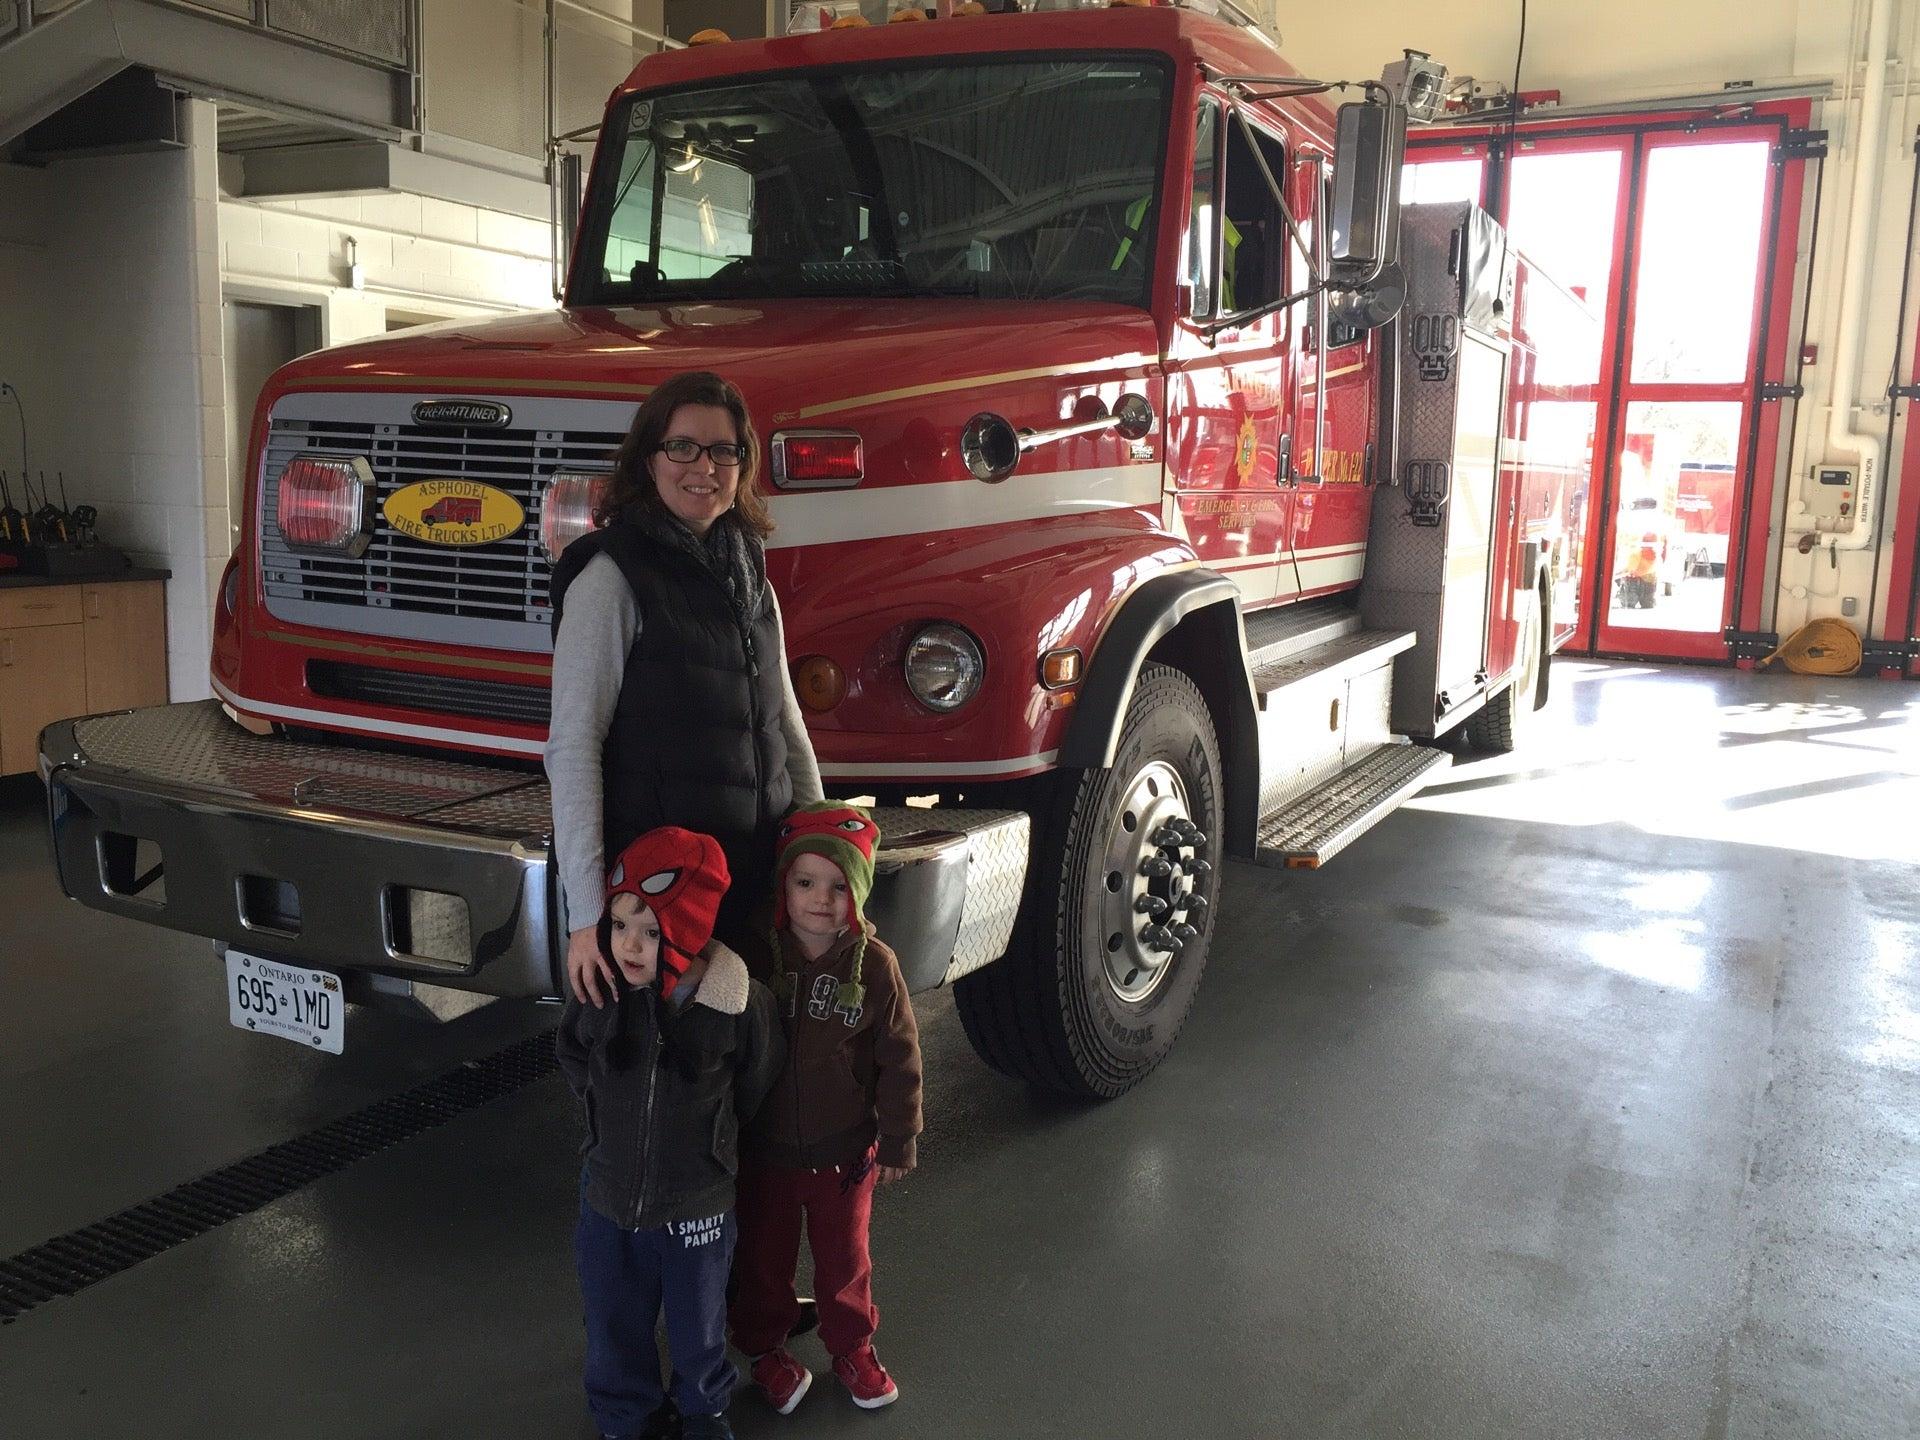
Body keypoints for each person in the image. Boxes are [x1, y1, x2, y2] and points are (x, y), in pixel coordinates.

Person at [546, 369, 824, 1012]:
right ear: (650, 459)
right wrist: (587, 917)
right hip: (656, 908)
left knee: (755, 1078)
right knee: (669, 1097)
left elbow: (784, 722)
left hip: (749, 885)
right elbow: (574, 749)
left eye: (724, 450)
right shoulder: (611, 579)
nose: (705, 466)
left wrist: (820, 844)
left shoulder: (751, 575)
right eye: (683, 448)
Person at [557, 826, 785, 1440]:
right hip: (608, 1197)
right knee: (612, 1317)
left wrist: (719, 1138)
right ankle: (623, 1411)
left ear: (689, 931)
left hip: (698, 1202)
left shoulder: (736, 1004)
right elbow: (574, 1053)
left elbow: (759, 1076)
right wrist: (603, 1117)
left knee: (698, 1320)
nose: (630, 945)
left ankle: (703, 1407)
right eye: (621, 922)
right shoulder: (601, 990)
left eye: (652, 931)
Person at [730, 803, 924, 1413]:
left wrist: (897, 1139)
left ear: (860, 893)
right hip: (765, 1156)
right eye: (805, 883)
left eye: (839, 887)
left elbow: (900, 1059)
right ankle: (764, 1352)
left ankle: (853, 1348)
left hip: (845, 1158)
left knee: (846, 1263)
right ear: (783, 887)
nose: (821, 899)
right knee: (763, 1260)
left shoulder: (878, 969)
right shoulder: (755, 957)